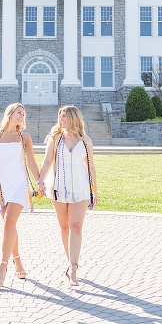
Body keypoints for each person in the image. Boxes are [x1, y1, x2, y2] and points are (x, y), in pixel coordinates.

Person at [37, 105, 98, 287]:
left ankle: (73, 268)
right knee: (64, 227)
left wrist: (94, 189)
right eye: (60, 116)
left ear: (73, 118)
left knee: (76, 227)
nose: (61, 119)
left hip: (81, 187)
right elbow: (47, 161)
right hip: (58, 187)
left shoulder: (86, 141)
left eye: (64, 116)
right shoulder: (55, 138)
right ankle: (70, 260)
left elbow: (91, 167)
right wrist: (40, 181)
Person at [0, 103, 41, 287]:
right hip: (1, 186)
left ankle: (2, 268)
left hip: (19, 184)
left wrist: (39, 181)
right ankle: (19, 264)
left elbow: (31, 160)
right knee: (10, 227)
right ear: (10, 114)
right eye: (19, 113)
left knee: (9, 223)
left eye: (24, 114)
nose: (22, 116)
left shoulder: (25, 137)